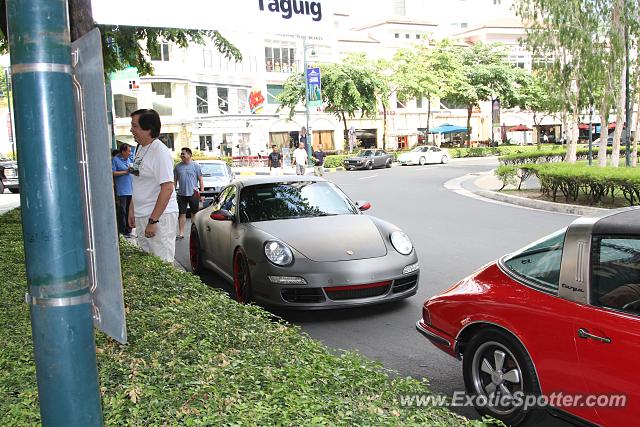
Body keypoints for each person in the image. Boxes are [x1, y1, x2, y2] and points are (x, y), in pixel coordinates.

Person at [127, 109, 179, 262]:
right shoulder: (141, 148)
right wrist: (132, 210)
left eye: (134, 126)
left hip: (159, 218)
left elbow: (168, 188)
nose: (131, 130)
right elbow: (138, 182)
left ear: (148, 129)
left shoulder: (160, 152)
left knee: (162, 263)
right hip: (143, 214)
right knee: (148, 264)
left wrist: (153, 220)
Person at [174, 147, 204, 240]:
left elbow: (201, 180)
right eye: (181, 154)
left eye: (184, 154)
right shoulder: (177, 167)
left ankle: (194, 232)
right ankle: (181, 232)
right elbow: (174, 181)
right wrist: (173, 192)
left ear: (189, 155)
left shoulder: (196, 166)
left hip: (193, 193)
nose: (182, 155)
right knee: (181, 214)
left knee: (194, 214)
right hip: (181, 194)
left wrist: (202, 194)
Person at [112, 143, 134, 237]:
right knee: (123, 211)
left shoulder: (129, 159)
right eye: (128, 151)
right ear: (123, 151)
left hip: (131, 189)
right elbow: (112, 172)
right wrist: (125, 172)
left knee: (130, 211)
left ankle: (129, 230)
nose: (130, 153)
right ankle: (123, 231)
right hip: (122, 190)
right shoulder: (115, 160)